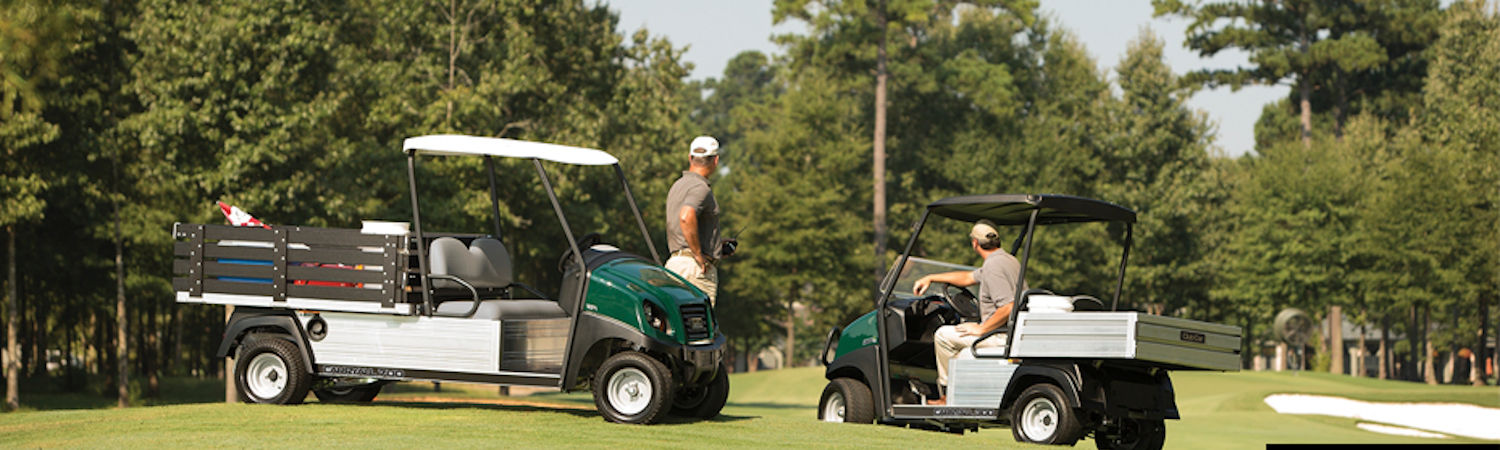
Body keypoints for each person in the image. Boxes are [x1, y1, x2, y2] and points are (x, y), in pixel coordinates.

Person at [911, 219, 1026, 405]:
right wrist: (931, 277)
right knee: (958, 345)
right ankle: (960, 392)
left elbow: (1008, 306)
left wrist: (982, 329)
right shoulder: (1007, 261)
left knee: (942, 335)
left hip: (1000, 335)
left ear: (974, 243)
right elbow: (967, 277)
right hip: (1010, 332)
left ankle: (948, 397)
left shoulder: (994, 267)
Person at [665, 136, 733, 305]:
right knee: (699, 328)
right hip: (694, 269)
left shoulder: (678, 185)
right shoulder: (700, 188)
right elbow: (686, 217)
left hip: (675, 265)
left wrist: (715, 245)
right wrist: (698, 254)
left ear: (690, 158)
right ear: (715, 160)